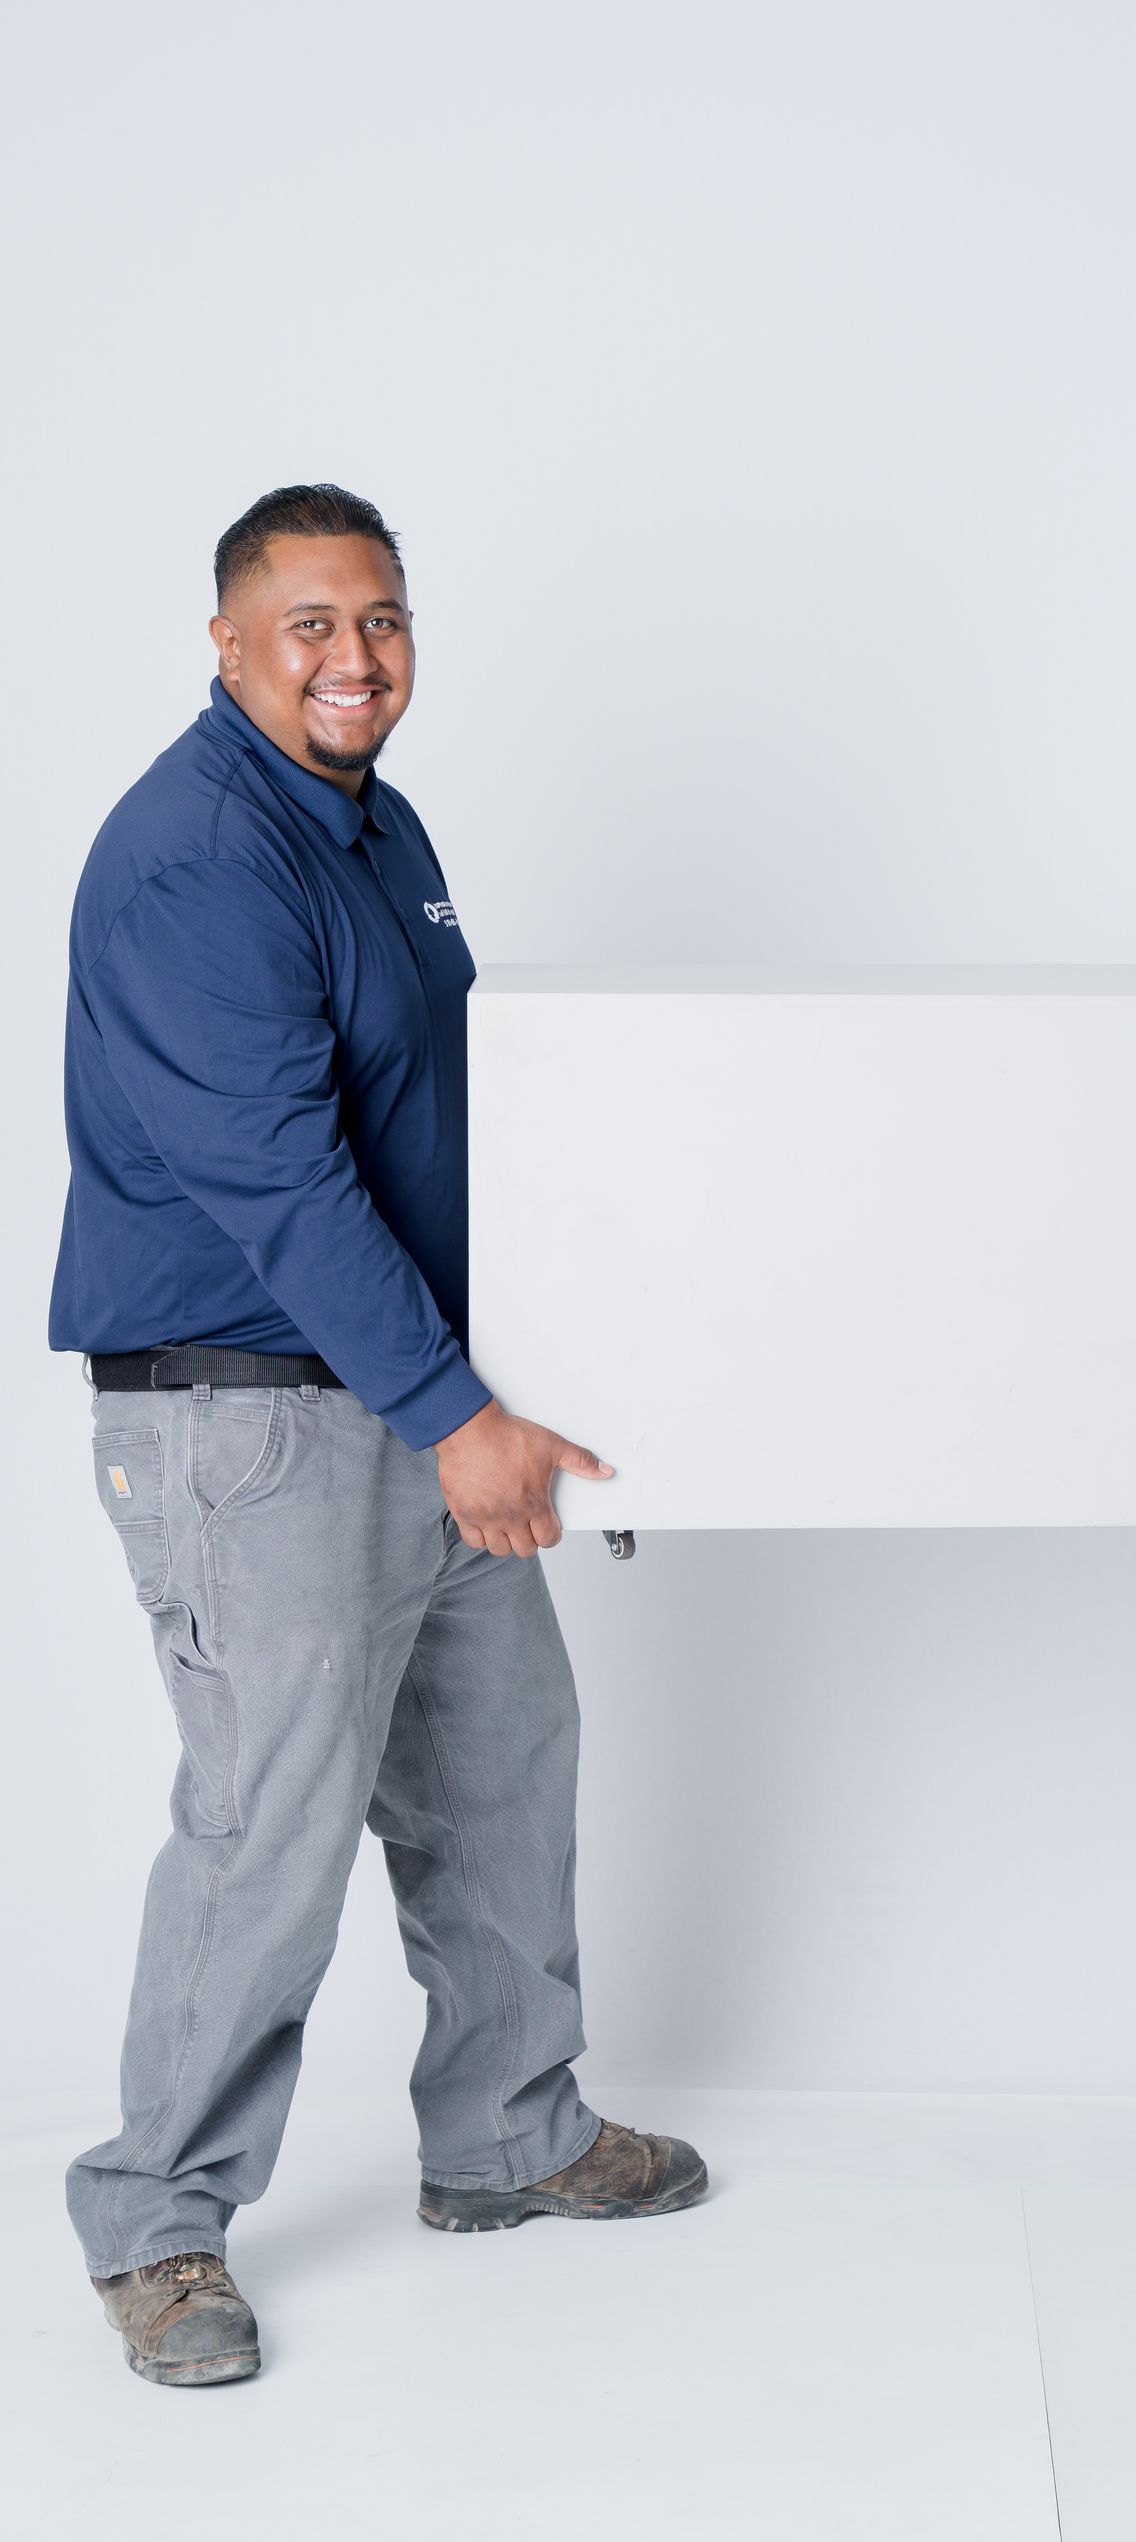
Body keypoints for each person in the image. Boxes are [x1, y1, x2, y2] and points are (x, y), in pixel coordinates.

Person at [52, 484, 706, 2390]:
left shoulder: (371, 822)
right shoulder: (196, 857)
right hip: (247, 1413)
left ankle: (509, 2124)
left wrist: (547, 1371)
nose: (358, 658)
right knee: (271, 1819)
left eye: (386, 622)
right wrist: (455, 1413)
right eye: (315, 624)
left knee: (503, 1758)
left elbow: (450, 1114)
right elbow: (278, 1176)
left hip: (414, 1386)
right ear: (230, 641)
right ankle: (156, 2217)